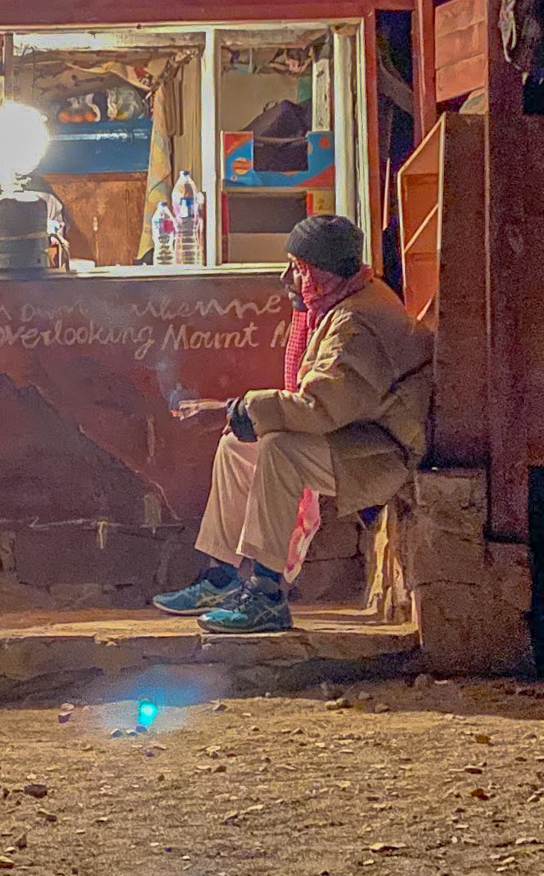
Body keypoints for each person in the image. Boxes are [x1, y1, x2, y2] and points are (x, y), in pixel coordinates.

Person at [152, 215, 433, 632]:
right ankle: (223, 578)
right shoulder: (343, 302)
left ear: (324, 275)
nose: (288, 277)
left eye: (298, 269)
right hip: (352, 435)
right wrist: (241, 415)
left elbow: (320, 408)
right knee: (236, 444)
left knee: (279, 449)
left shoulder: (356, 324)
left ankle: (266, 595)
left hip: (381, 452)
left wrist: (242, 407)